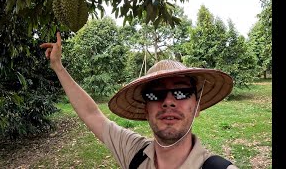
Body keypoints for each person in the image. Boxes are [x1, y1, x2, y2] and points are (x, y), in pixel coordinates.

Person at [40, 32, 239, 169]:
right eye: (155, 94)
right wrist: (58, 67)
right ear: (145, 109)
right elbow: (92, 114)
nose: (169, 101)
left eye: (181, 92)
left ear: (197, 106)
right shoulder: (135, 153)